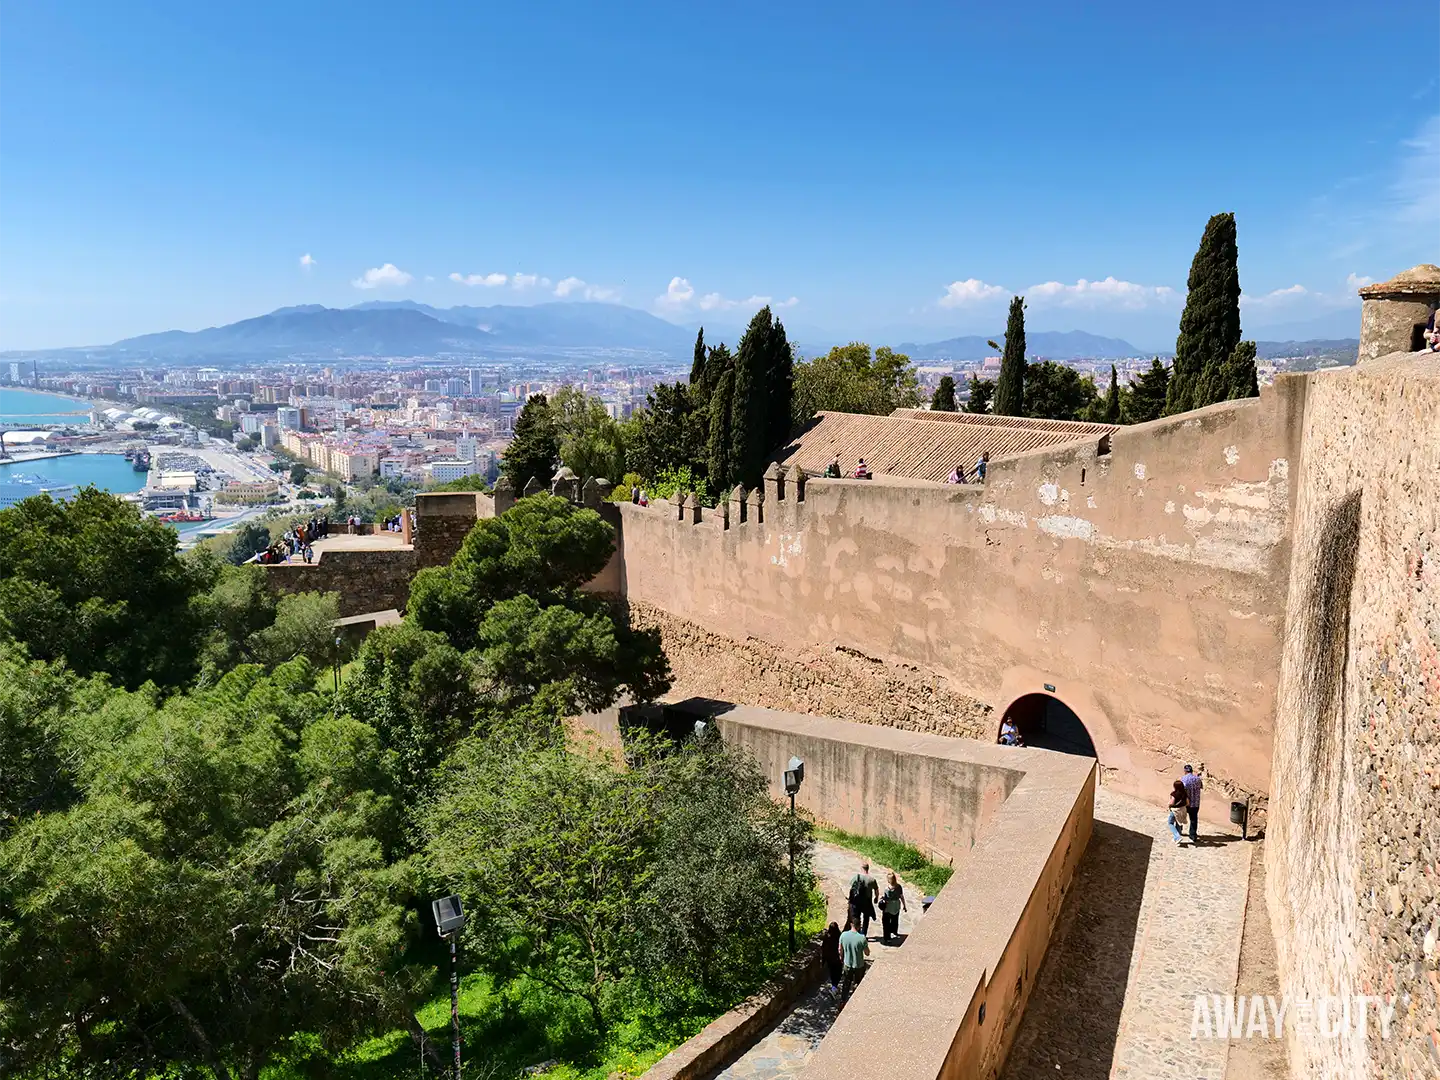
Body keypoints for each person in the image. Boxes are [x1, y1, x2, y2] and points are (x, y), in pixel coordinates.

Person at [838, 916, 869, 1002]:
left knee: (846, 983)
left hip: (847, 964)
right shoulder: (862, 938)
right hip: (859, 965)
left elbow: (840, 949)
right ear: (860, 926)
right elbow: (867, 953)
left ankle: (843, 1001)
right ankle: (857, 1000)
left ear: (851, 924)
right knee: (859, 983)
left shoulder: (843, 935)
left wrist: (841, 957)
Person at [847, 860, 879, 936]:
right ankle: (864, 934)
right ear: (868, 868)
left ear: (862, 868)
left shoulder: (856, 877)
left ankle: (857, 931)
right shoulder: (872, 879)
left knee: (856, 917)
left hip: (857, 901)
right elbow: (876, 890)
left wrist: (850, 898)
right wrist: (876, 898)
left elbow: (851, 888)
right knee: (866, 918)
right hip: (867, 902)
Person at [880, 872, 907, 944]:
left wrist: (882, 899)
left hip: (889, 907)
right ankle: (894, 931)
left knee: (886, 922)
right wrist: (904, 905)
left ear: (889, 880)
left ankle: (887, 937)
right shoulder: (899, 887)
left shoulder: (887, 889)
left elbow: (887, 900)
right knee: (895, 919)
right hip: (896, 906)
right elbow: (901, 896)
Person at [1181, 763, 1203, 844]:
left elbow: (1182, 790)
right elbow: (1201, 787)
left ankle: (1179, 831)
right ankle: (1193, 836)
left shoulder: (1184, 779)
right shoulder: (1197, 779)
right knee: (1193, 820)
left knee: (1180, 817)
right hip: (1196, 803)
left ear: (1185, 771)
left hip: (1186, 803)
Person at [821, 921, 843, 991]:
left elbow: (823, 949)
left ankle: (834, 987)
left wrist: (823, 961)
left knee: (832, 973)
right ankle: (834, 987)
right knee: (838, 973)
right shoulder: (840, 936)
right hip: (837, 958)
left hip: (829, 959)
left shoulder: (826, 937)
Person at [1166, 779, 1188, 845]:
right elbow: (1187, 803)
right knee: (1179, 823)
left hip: (1175, 810)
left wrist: (1169, 805)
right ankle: (1176, 838)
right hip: (1183, 810)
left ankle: (1177, 837)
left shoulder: (1174, 794)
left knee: (1170, 823)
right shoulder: (1185, 793)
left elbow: (1172, 803)